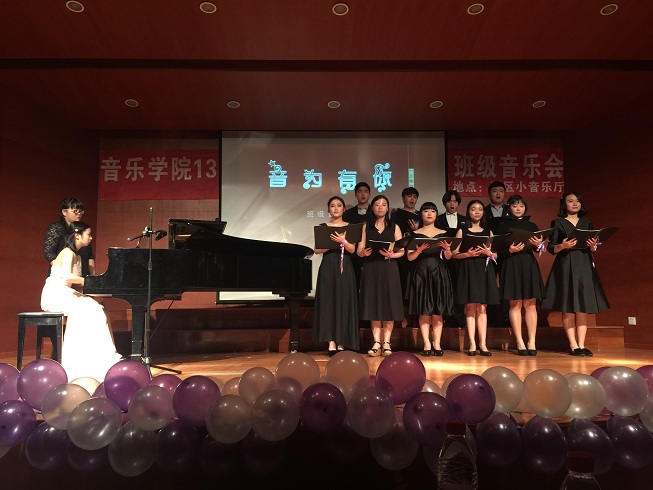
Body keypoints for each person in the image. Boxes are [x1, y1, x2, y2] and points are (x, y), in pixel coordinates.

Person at [41, 221, 122, 381]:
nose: (91, 238)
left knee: (97, 307)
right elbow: (67, 277)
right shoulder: (68, 252)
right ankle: (76, 359)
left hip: (65, 292)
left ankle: (97, 355)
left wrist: (93, 293)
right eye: (88, 234)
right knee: (90, 309)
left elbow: (74, 283)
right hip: (55, 293)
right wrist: (91, 282)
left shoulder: (77, 255)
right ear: (77, 235)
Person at [541, 191, 610, 357]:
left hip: (584, 263)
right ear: (564, 204)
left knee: (583, 306)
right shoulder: (558, 222)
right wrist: (563, 246)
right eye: (570, 201)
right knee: (568, 306)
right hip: (565, 264)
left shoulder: (587, 222)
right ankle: (573, 345)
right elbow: (551, 247)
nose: (574, 203)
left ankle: (582, 344)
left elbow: (593, 246)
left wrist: (593, 245)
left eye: (577, 201)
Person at [496, 195, 546, 356]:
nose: (518, 208)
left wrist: (538, 245)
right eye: (515, 205)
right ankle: (519, 341)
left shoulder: (531, 225)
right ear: (509, 207)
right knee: (515, 304)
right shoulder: (503, 226)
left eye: (521, 206)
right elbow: (497, 251)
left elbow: (536, 249)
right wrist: (509, 250)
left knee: (531, 304)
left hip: (528, 263)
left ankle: (532, 341)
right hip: (511, 264)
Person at [357, 195, 405, 357]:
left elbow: (402, 250)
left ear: (387, 208)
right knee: (374, 303)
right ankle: (376, 342)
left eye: (384, 204)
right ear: (372, 207)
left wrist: (393, 255)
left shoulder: (394, 227)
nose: (380, 207)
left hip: (389, 267)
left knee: (389, 303)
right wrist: (363, 253)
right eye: (377, 204)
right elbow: (359, 250)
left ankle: (387, 342)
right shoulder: (366, 227)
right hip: (371, 267)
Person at [312, 196, 360, 356]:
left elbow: (352, 250)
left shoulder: (350, 227)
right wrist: (331, 243)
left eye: (339, 205)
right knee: (328, 302)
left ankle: (342, 341)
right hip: (328, 267)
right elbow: (316, 250)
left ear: (344, 209)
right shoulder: (323, 227)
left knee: (344, 302)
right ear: (328, 209)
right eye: (332, 206)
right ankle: (331, 341)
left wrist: (343, 241)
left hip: (345, 266)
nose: (336, 208)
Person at [451, 200, 500, 356]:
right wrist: (467, 254)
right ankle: (472, 343)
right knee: (471, 307)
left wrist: (489, 253)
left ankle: (483, 344)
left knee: (482, 308)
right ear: (468, 212)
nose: (477, 212)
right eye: (473, 209)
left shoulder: (488, 232)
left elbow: (496, 255)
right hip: (468, 268)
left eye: (480, 209)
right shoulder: (462, 231)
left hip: (484, 269)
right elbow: (454, 254)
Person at [406, 202, 454, 357]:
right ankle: (426, 343)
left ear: (436, 214)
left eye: (432, 211)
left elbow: (449, 257)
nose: (429, 214)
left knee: (438, 309)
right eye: (426, 211)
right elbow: (410, 257)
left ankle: (437, 343)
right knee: (424, 309)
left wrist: (447, 249)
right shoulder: (415, 234)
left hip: (439, 271)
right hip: (421, 272)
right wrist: (419, 250)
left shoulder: (444, 233)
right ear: (421, 214)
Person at [436, 190, 467, 328]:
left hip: (460, 258)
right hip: (443, 258)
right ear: (444, 203)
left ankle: (459, 318)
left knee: (459, 288)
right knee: (445, 288)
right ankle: (446, 318)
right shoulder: (438, 219)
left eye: (455, 201)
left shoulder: (465, 220)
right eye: (449, 201)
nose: (452, 204)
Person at [43, 197, 95, 277]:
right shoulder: (57, 227)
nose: (79, 214)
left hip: (82, 271)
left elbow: (90, 255)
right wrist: (61, 269)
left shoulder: (83, 229)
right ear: (64, 212)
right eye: (75, 211)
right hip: (63, 274)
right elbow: (48, 252)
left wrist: (92, 278)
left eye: (81, 211)